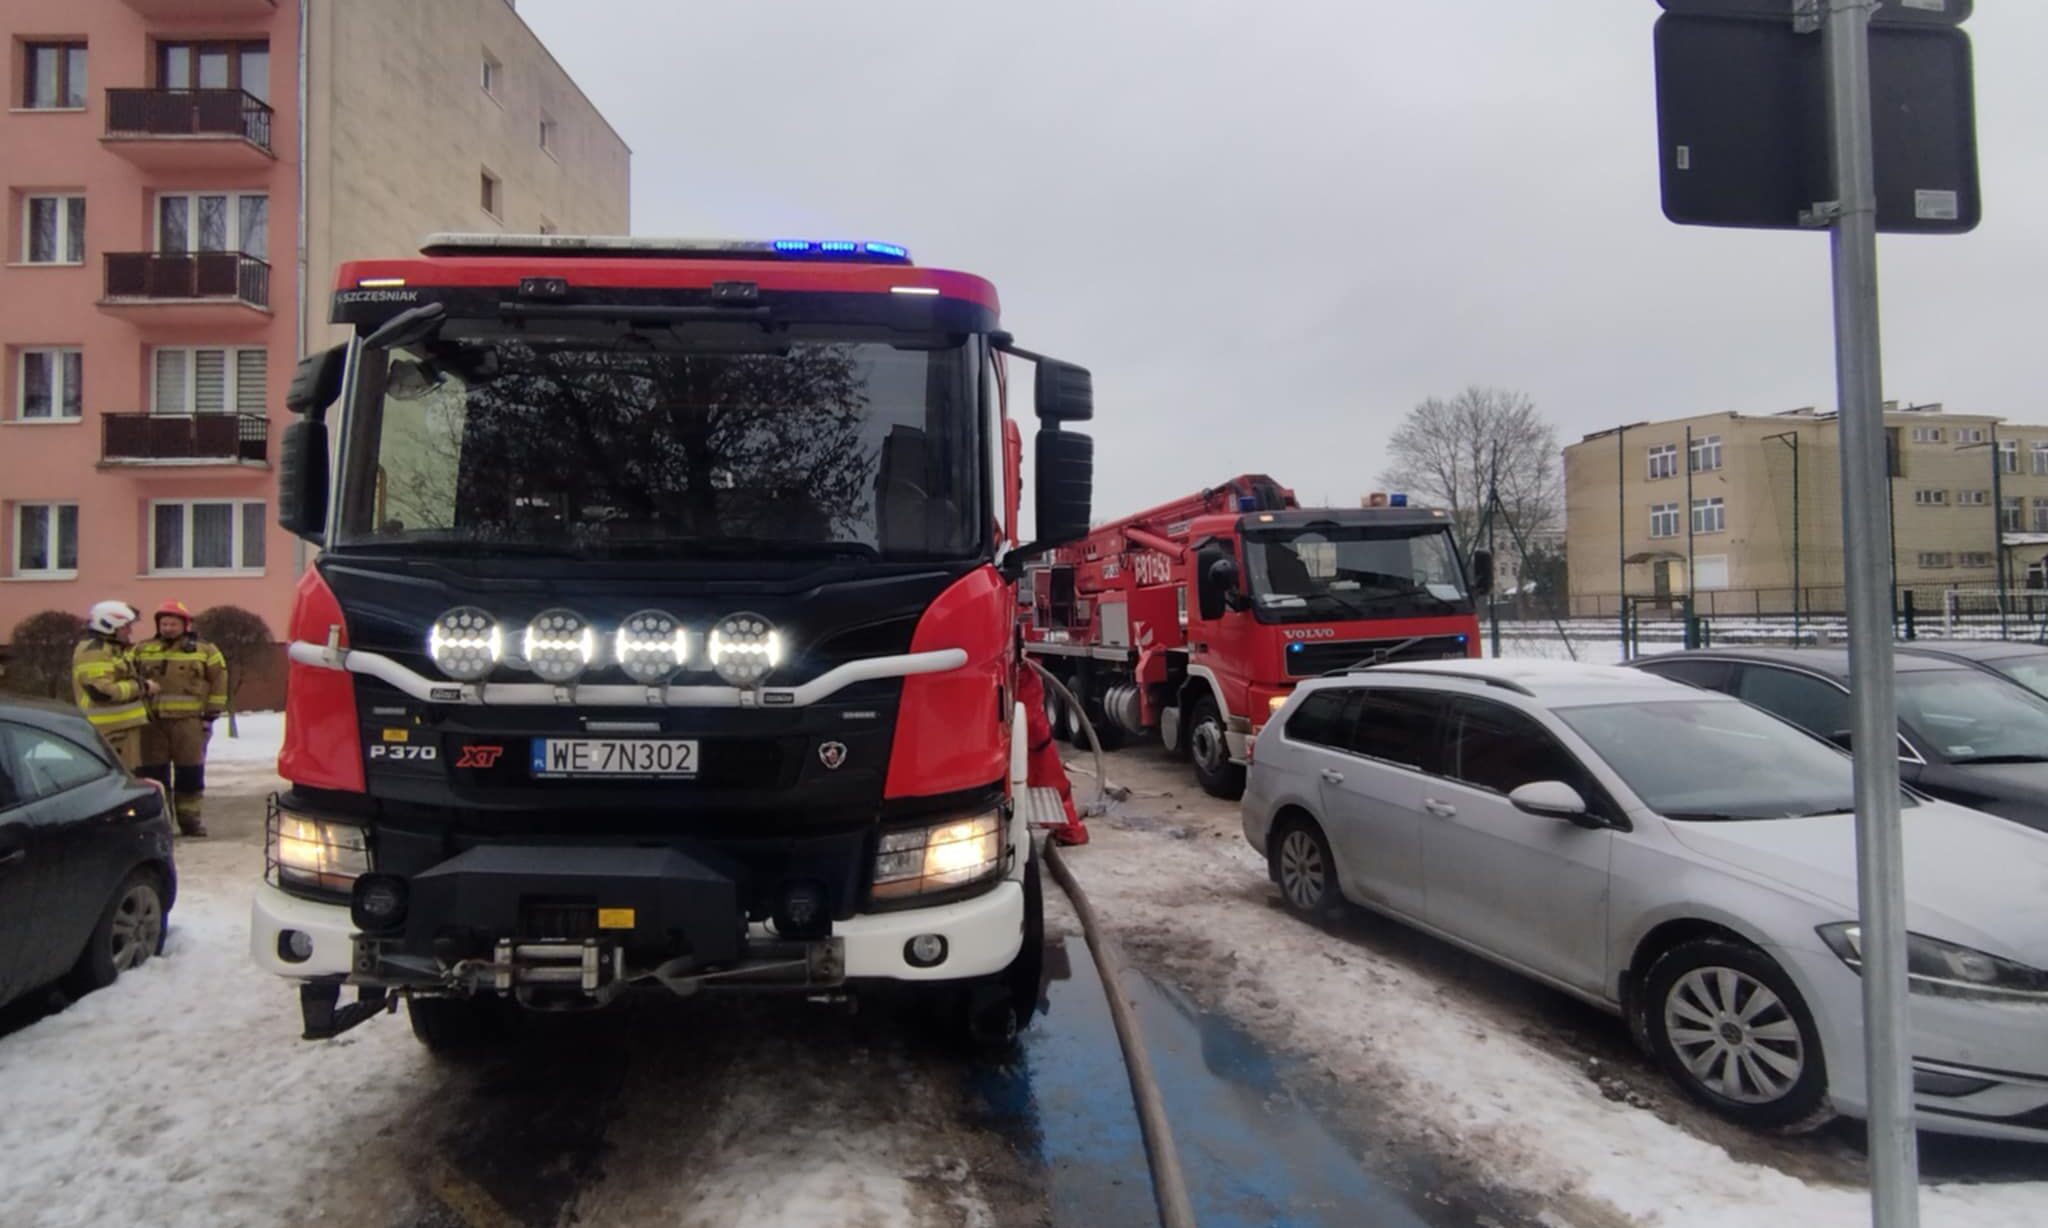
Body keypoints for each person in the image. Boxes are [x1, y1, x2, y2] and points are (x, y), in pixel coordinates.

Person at [135, 600, 226, 838]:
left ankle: (190, 822)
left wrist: (211, 715)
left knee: (190, 773)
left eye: (173, 623)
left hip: (189, 723)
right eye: (164, 623)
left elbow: (219, 682)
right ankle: (160, 823)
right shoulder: (142, 649)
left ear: (185, 625)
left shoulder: (206, 651)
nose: (168, 628)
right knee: (155, 776)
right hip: (153, 724)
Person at [72, 601, 156, 772]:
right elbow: (101, 692)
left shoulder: (112, 649)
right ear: (109, 625)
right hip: (111, 731)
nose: (130, 631)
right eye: (125, 627)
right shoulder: (94, 652)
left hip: (121, 729)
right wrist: (143, 687)